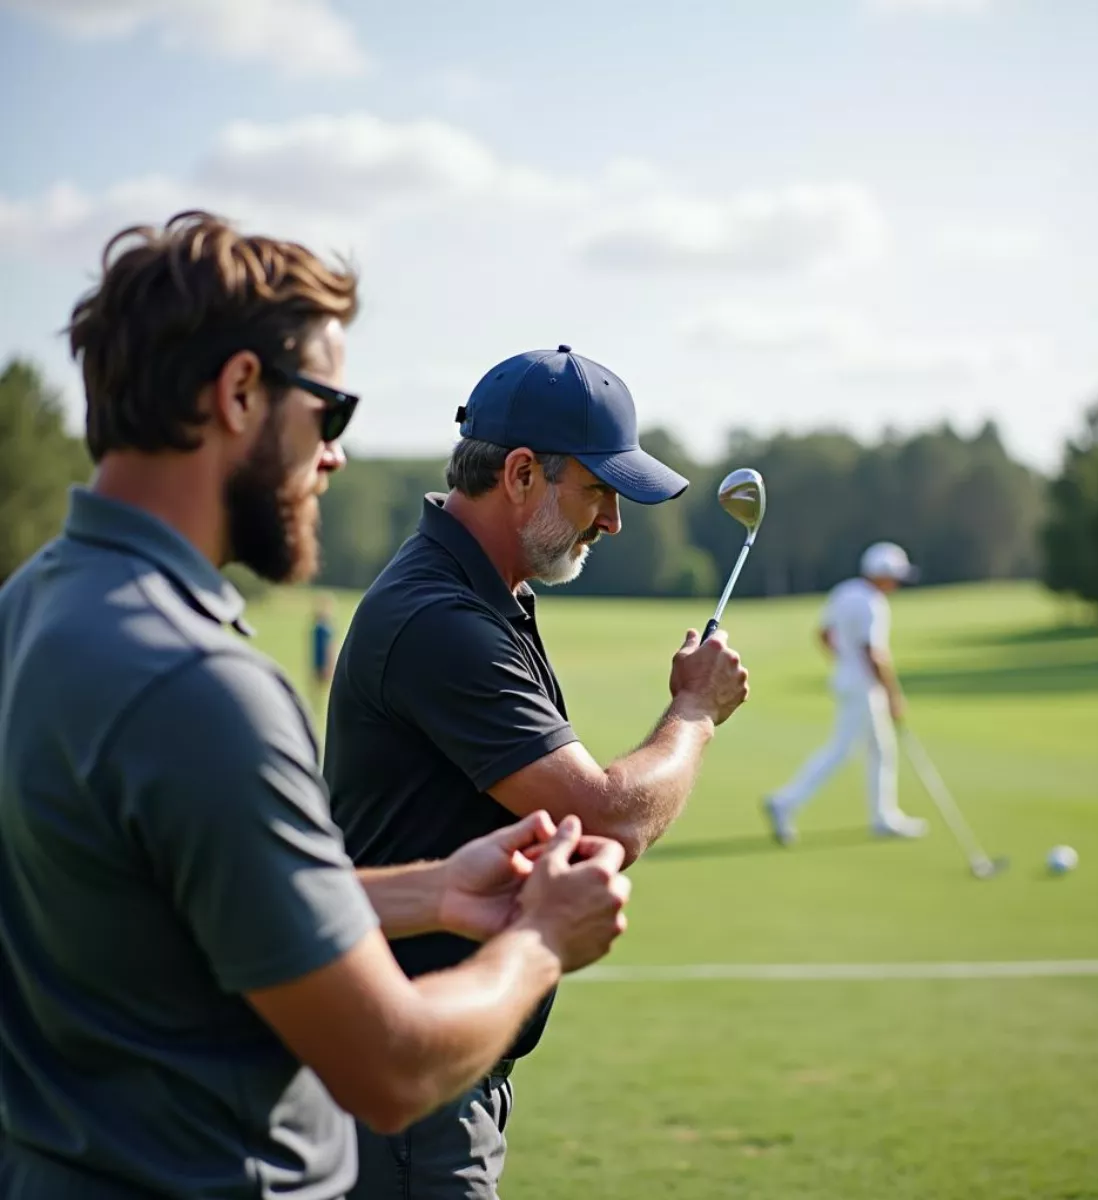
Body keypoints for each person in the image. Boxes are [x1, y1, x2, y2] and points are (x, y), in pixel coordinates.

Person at [0, 215, 631, 1200]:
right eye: (330, 412)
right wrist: (540, 937)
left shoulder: (31, 605)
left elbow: (163, 907)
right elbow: (392, 1069)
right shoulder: (200, 686)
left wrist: (427, 893)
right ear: (240, 391)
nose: (335, 456)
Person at [323, 344, 751, 1199]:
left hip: (435, 1059)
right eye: (598, 491)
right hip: (409, 1068)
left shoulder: (487, 591)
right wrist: (695, 714)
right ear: (520, 474)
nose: (612, 522)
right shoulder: (441, 617)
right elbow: (604, 820)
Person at [763, 541, 929, 845]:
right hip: (864, 687)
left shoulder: (845, 591)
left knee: (880, 749)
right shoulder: (872, 603)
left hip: (847, 680)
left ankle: (883, 816)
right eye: (894, 577)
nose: (897, 585)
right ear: (881, 574)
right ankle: (785, 802)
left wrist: (845, 661)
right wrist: (893, 695)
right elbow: (874, 654)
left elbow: (823, 634)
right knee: (841, 750)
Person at [310, 592, 338, 706]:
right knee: (320, 687)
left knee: (323, 688)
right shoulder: (322, 628)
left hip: (323, 661)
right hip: (321, 661)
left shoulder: (322, 628)